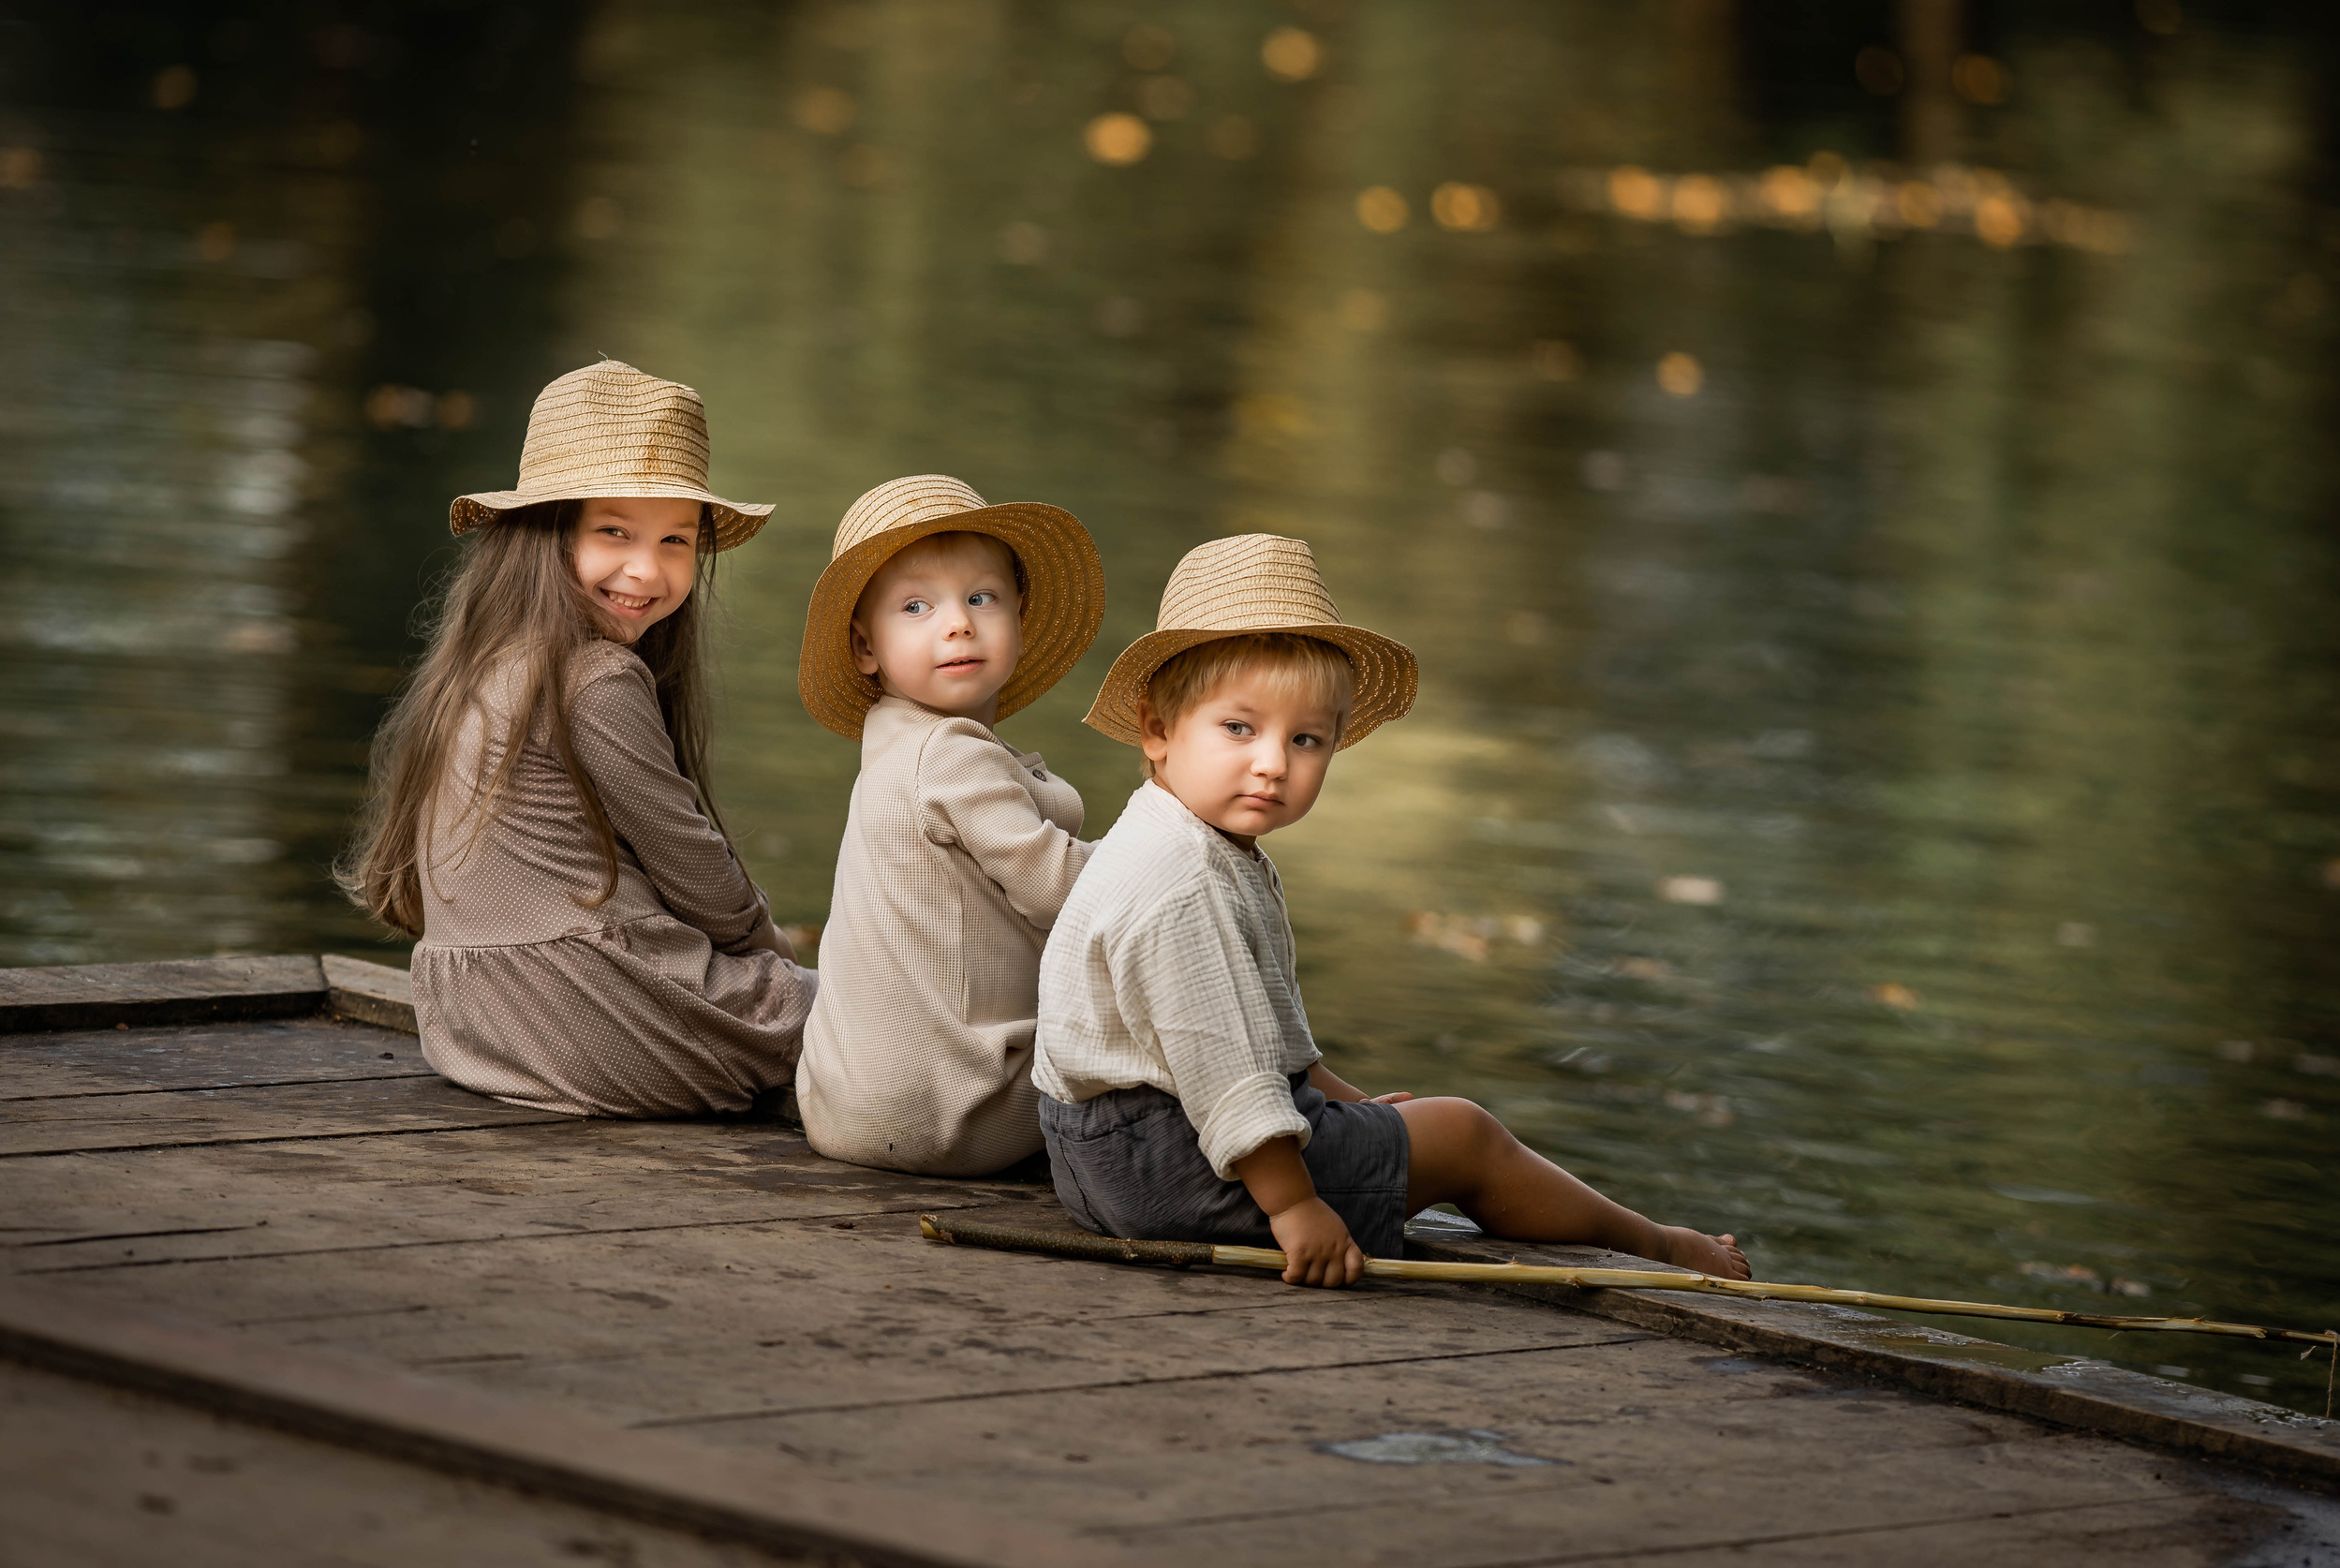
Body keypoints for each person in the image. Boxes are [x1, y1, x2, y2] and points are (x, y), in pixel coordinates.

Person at [1033, 534, 1752, 1286]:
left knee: (1409, 1122)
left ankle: (1382, 1153)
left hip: (1097, 1157)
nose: (1273, 762)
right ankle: (1666, 1248)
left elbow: (1266, 1036)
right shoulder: (1181, 879)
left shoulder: (1183, 837)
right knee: (1465, 1136)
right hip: (1176, 1167)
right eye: (1239, 728)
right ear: (1157, 730)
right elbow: (1227, 1072)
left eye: (1306, 739)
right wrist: (1296, 1208)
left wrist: (1349, 1108)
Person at [338, 360, 812, 1117]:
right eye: (614, 532)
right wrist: (775, 957)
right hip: (586, 1008)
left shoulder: (485, 663)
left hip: (478, 1026)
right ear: (547, 532)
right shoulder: (591, 676)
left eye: (675, 541)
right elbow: (699, 876)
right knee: (868, 1013)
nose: (645, 569)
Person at [792, 475, 1104, 1176]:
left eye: (981, 597)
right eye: (916, 606)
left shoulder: (893, 745)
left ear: (1018, 615)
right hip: (953, 1113)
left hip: (842, 1106)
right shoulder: (950, 753)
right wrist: (1161, 849)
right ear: (866, 649)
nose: (958, 621)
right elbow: (1064, 893)